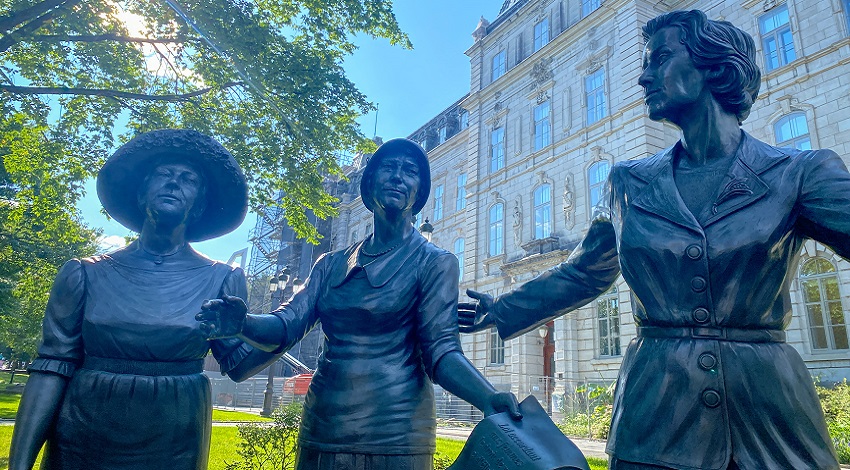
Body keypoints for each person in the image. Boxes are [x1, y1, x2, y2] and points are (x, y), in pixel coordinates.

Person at [459, 10, 846, 470]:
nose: (642, 77)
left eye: (659, 59)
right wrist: (502, 308)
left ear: (714, 67)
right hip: (655, 413)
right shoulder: (629, 183)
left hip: (769, 415)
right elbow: (585, 272)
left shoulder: (800, 173)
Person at [198, 138, 521, 470]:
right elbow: (286, 324)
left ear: (419, 192)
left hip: (396, 436)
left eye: (410, 171)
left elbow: (441, 351)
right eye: (388, 168)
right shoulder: (329, 264)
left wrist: (487, 396)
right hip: (322, 429)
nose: (398, 177)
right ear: (369, 184)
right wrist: (243, 323)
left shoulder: (435, 262)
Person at [9, 129, 275, 470]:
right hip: (83, 434)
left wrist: (290, 320)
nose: (173, 183)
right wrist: (19, 465)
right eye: (163, 174)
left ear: (200, 206)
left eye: (188, 179)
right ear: (140, 194)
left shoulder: (223, 279)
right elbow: (51, 368)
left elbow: (239, 364)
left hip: (175, 439)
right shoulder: (84, 273)